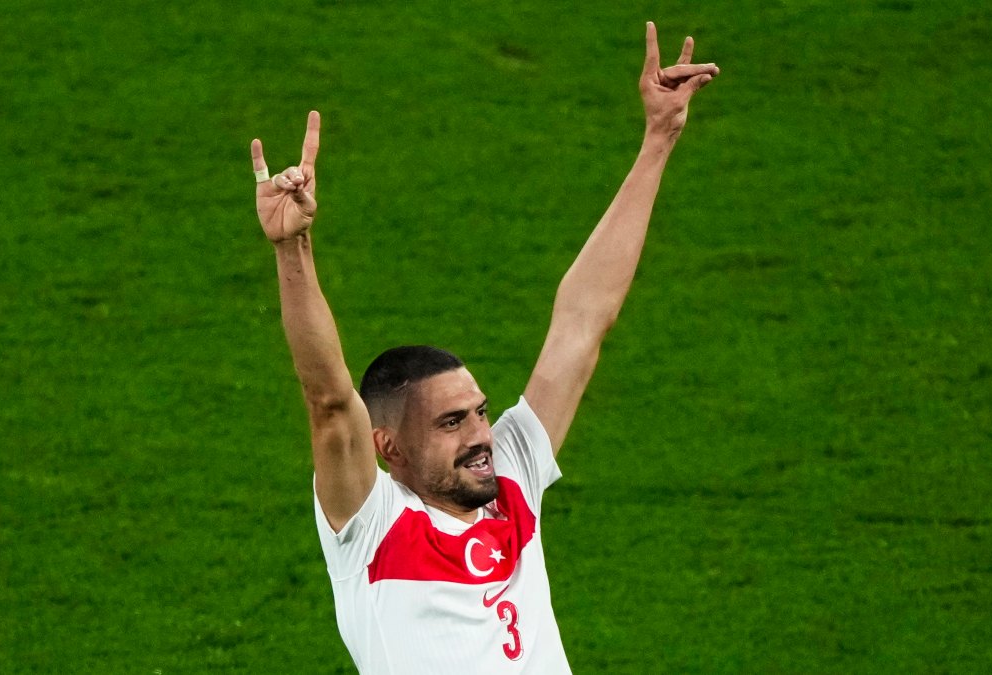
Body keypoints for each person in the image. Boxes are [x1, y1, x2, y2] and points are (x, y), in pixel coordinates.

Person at [249, 22, 718, 674]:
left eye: (478, 411)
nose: (481, 433)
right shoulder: (372, 527)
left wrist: (659, 138)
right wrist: (291, 249)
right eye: (450, 421)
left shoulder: (512, 476)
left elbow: (583, 321)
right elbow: (330, 401)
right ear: (389, 448)